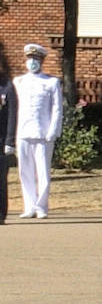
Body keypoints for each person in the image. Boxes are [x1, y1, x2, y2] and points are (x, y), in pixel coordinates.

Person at [13, 43, 62, 219]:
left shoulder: (51, 82)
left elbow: (57, 108)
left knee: (42, 171)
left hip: (43, 133)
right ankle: (29, 206)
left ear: (42, 61)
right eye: (30, 59)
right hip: (23, 131)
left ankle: (41, 206)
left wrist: (53, 130)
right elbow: (14, 108)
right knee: (24, 171)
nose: (32, 62)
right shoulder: (19, 82)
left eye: (36, 59)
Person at [0, 70, 16, 225]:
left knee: (0, 180)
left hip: (1, 140)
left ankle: (0, 214)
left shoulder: (7, 87)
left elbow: (12, 115)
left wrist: (10, 141)